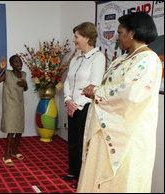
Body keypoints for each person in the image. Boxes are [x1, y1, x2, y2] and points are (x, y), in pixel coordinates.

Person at [77, 12, 161, 192]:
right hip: (106, 129)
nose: (117, 37)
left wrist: (97, 92)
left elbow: (129, 95)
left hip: (126, 135)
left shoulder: (148, 59)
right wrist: (96, 90)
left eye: (120, 32)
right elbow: (110, 85)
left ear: (132, 33)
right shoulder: (123, 58)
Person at [61, 22, 106, 189]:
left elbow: (93, 86)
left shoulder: (98, 57)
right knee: (72, 141)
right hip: (72, 105)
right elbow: (67, 82)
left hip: (85, 106)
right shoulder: (76, 58)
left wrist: (76, 105)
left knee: (83, 143)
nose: (74, 40)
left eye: (76, 37)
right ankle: (73, 171)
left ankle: (82, 178)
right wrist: (68, 100)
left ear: (87, 38)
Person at [0, 55, 28, 167]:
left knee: (19, 130)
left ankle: (15, 150)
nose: (19, 64)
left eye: (20, 61)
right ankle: (7, 154)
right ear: (11, 65)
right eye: (16, 62)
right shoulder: (7, 74)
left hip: (19, 105)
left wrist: (25, 85)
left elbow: (25, 88)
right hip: (9, 106)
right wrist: (0, 69)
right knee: (11, 130)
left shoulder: (23, 75)